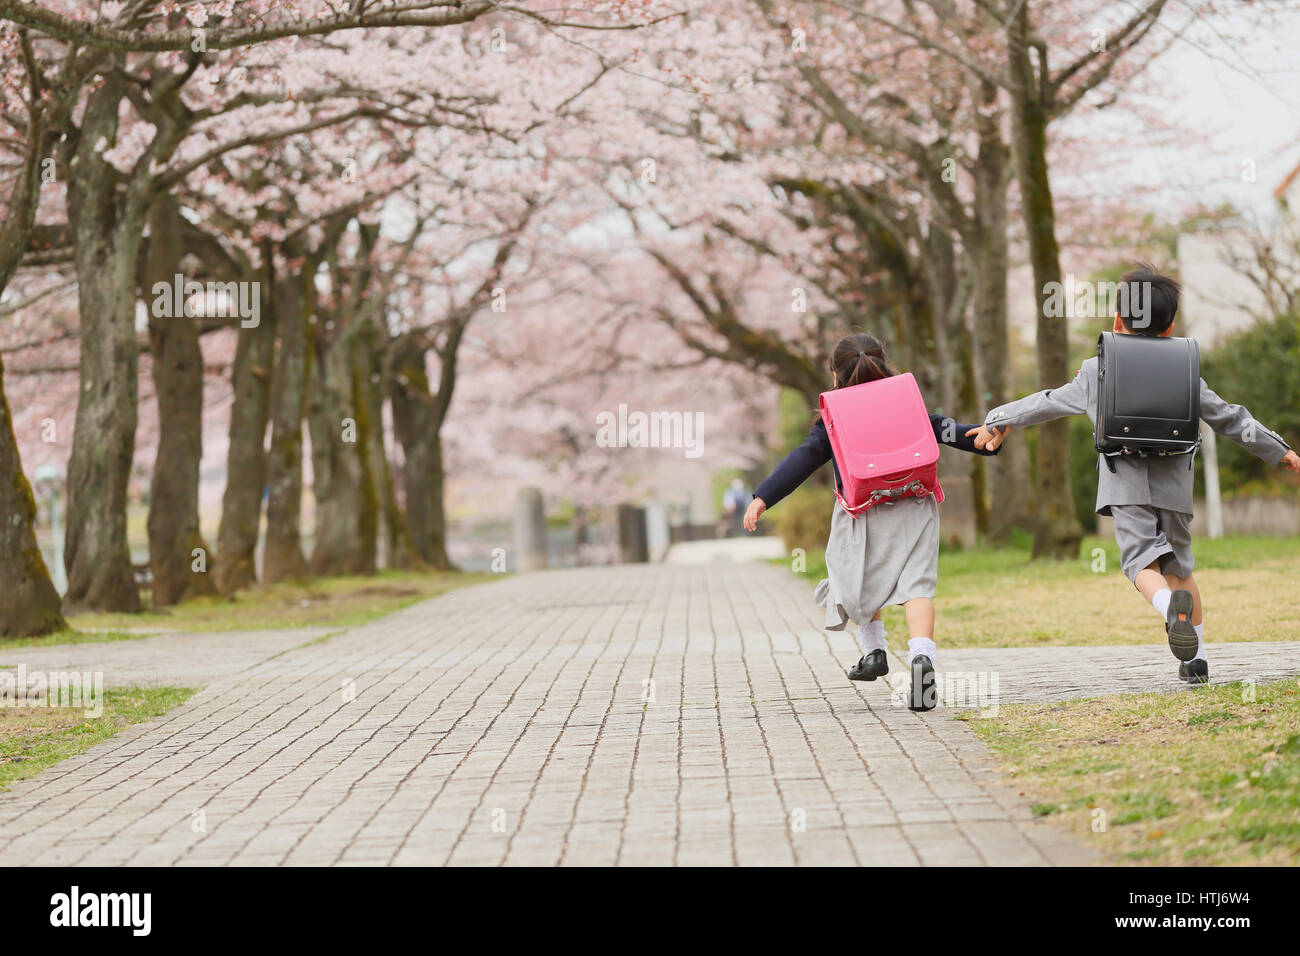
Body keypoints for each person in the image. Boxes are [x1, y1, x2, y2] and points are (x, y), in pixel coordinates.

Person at [969, 265, 1300, 684]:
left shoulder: (1096, 370)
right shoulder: (1186, 371)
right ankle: (1194, 661)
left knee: (1141, 561)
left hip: (1124, 484)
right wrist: (1281, 450)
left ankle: (1169, 612)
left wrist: (1000, 417)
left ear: (1117, 320)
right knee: (1179, 567)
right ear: (1170, 328)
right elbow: (1230, 418)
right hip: (1175, 486)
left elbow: (1048, 402)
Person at [743, 332, 998, 710]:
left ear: (835, 374)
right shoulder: (904, 399)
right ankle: (921, 658)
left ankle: (874, 651)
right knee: (917, 587)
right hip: (916, 505)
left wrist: (764, 496)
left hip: (862, 512)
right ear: (884, 362)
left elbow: (804, 458)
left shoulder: (834, 417)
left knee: (860, 577)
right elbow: (943, 429)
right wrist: (979, 438)